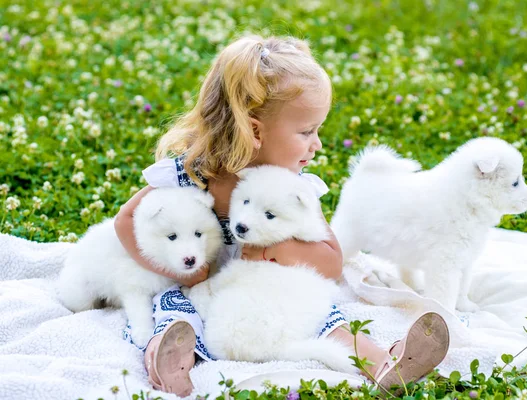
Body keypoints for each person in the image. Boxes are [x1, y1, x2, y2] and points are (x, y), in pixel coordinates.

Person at [114, 35, 450, 397]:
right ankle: (170, 366)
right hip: (198, 289)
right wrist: (183, 270)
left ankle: (385, 363)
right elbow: (125, 222)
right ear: (255, 131)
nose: (317, 144)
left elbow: (332, 263)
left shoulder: (293, 190)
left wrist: (286, 250)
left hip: (267, 295)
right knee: (173, 313)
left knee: (323, 317)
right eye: (307, 132)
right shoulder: (193, 174)